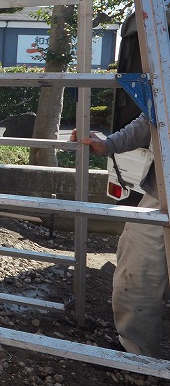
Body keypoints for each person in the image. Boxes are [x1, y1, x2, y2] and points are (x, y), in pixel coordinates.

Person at [72, 113, 166, 357]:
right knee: (137, 270)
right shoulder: (166, 79)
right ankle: (136, 355)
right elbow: (150, 120)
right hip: (161, 196)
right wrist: (108, 144)